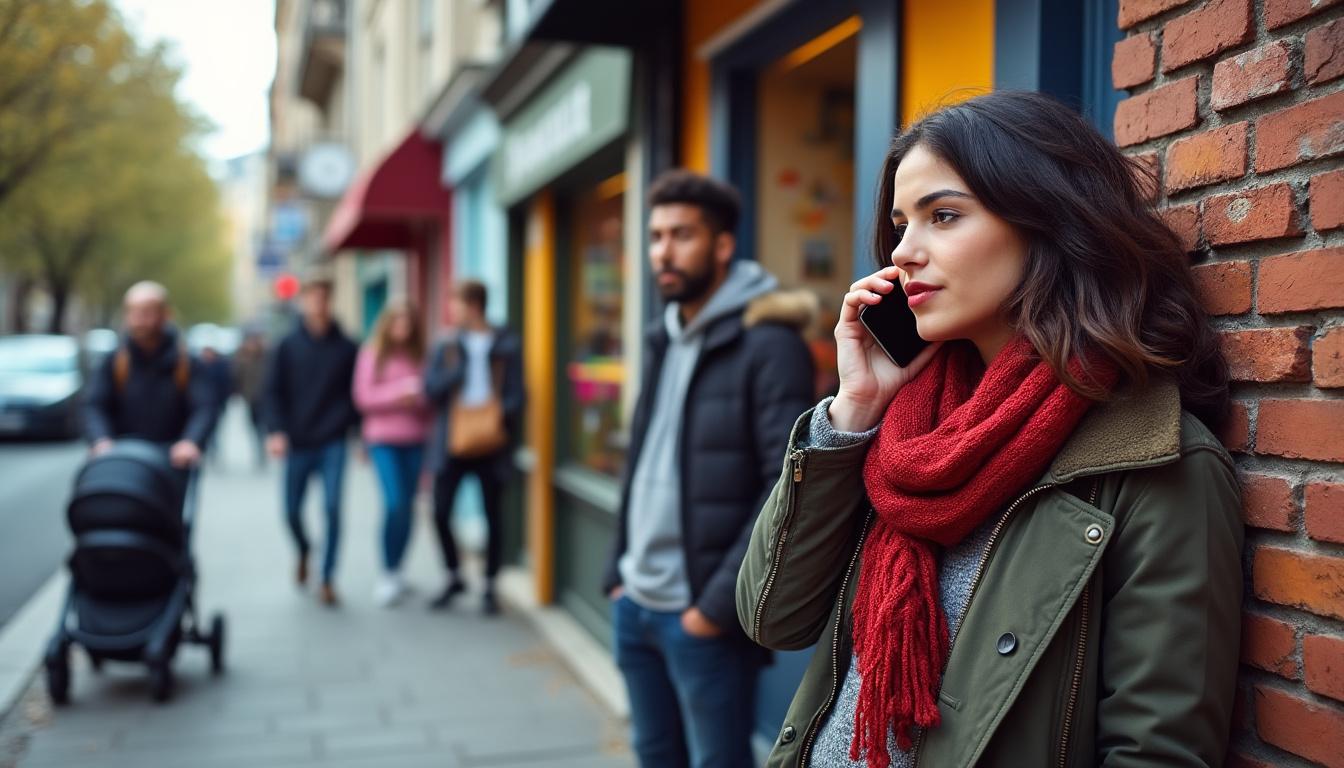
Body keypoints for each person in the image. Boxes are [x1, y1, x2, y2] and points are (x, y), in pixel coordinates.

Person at [737, 91, 1242, 768]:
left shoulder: (1154, 464)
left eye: (943, 216)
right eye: (900, 225)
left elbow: (1158, 753)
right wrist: (851, 412)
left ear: (1049, 222)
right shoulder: (898, 432)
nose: (903, 253)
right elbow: (773, 616)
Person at [602, 170, 817, 768]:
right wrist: (615, 575)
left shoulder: (768, 345)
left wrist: (714, 609)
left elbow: (785, 487)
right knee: (653, 753)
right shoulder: (663, 336)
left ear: (723, 245)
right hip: (635, 602)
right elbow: (641, 459)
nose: (663, 252)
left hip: (701, 615)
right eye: (655, 236)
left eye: (682, 235)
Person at [423, 280, 523, 615]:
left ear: (474, 306)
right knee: (439, 510)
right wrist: (458, 372)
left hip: (491, 441)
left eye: (457, 304)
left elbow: (518, 392)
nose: (453, 311)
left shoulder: (506, 343)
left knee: (493, 515)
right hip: (453, 439)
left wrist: (501, 414)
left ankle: (490, 584)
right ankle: (454, 574)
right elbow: (431, 390)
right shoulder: (447, 346)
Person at [264, 278, 359, 607]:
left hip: (333, 440)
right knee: (291, 511)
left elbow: (355, 396)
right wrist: (276, 431)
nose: (318, 304)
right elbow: (272, 391)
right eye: (312, 298)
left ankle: (328, 576)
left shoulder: (347, 346)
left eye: (324, 298)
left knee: (333, 508)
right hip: (297, 440)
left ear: (330, 301)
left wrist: (357, 437)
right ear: (303, 301)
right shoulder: (287, 345)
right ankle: (304, 549)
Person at [84, 281, 215, 468]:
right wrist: (100, 440)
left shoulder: (187, 362)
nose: (139, 320)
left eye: (146, 313)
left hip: (172, 462)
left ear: (165, 315)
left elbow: (204, 407)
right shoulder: (113, 361)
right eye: (133, 312)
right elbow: (94, 405)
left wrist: (191, 441)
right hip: (121, 459)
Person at [352, 299, 431, 607]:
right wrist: (399, 395)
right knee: (394, 502)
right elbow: (363, 397)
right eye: (397, 322)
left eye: (408, 322)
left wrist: (419, 398)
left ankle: (398, 569)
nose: (403, 328)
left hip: (415, 439)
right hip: (382, 440)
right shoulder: (372, 354)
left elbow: (431, 399)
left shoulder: (420, 356)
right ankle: (387, 570)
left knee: (409, 507)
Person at [232, 331, 269, 469]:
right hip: (250, 398)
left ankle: (262, 449)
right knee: (253, 426)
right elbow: (237, 378)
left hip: (264, 399)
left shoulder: (266, 358)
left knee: (263, 426)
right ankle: (258, 449)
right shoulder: (242, 358)